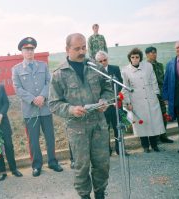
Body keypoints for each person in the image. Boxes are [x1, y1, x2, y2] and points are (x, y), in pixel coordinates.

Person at [49, 33, 113, 199]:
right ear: (67, 49)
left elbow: (108, 87)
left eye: (84, 47)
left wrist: (105, 100)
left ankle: (100, 194)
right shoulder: (59, 74)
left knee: (102, 164)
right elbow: (53, 104)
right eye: (77, 48)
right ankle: (85, 196)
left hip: (99, 124)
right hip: (77, 128)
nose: (82, 51)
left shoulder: (94, 66)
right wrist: (71, 109)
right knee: (82, 167)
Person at [12, 37, 63, 177]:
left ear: (34, 50)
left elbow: (49, 82)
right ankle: (36, 165)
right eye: (26, 49)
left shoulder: (43, 66)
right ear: (22, 51)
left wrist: (42, 96)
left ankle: (53, 162)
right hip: (30, 110)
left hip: (45, 107)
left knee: (50, 137)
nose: (29, 52)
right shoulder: (16, 69)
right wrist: (33, 99)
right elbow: (17, 88)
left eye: (31, 49)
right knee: (33, 140)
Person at [121, 48, 165, 153]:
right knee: (141, 123)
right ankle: (145, 146)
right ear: (130, 59)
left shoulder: (148, 66)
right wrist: (127, 103)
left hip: (150, 98)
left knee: (152, 122)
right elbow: (124, 88)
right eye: (133, 57)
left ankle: (154, 145)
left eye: (137, 57)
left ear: (140, 58)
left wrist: (156, 94)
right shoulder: (125, 70)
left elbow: (153, 80)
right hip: (136, 100)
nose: (135, 59)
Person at [95, 50, 128, 155]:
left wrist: (117, 97)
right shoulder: (94, 72)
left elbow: (120, 83)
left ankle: (120, 150)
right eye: (100, 61)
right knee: (105, 129)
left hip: (116, 103)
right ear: (97, 62)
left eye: (105, 60)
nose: (103, 62)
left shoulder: (115, 68)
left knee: (118, 127)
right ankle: (107, 151)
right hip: (103, 105)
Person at [145, 47, 174, 144]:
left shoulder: (160, 65)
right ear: (147, 54)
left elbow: (164, 80)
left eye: (155, 52)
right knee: (153, 116)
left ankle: (163, 135)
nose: (154, 54)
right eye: (152, 53)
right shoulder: (144, 66)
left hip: (161, 94)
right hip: (151, 94)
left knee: (163, 114)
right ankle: (155, 138)